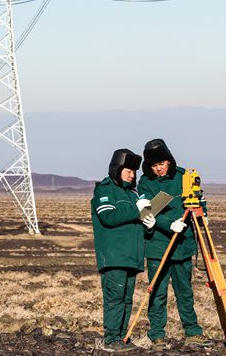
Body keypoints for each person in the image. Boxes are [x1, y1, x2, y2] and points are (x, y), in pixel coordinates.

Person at [138, 138, 214, 350]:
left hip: (182, 246)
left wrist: (203, 215)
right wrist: (167, 224)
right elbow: (147, 213)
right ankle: (157, 336)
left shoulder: (184, 177)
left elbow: (200, 200)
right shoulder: (145, 182)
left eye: (161, 164)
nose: (159, 169)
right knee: (158, 293)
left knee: (185, 292)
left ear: (168, 160)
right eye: (154, 165)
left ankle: (192, 332)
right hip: (157, 246)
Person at [91, 148, 156, 353]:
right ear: (117, 169)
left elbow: (141, 226)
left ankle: (121, 337)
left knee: (127, 299)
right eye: (128, 170)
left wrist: (150, 222)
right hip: (114, 256)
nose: (132, 175)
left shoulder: (134, 194)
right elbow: (108, 217)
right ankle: (111, 339)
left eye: (134, 172)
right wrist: (137, 209)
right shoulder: (105, 190)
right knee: (115, 298)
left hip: (132, 257)